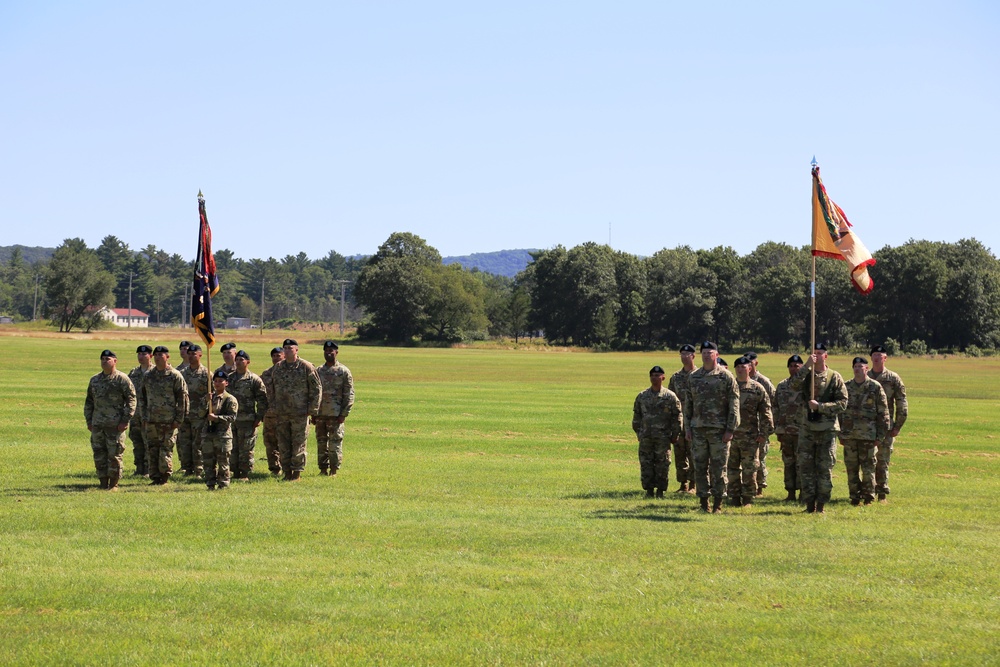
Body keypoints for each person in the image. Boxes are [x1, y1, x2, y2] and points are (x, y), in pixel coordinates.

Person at [790, 343, 848, 514]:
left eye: (820, 353)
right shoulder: (806, 375)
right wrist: (806, 366)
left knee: (824, 468)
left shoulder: (834, 377)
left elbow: (843, 403)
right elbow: (793, 385)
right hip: (807, 428)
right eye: (814, 353)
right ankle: (809, 504)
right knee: (806, 468)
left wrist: (821, 406)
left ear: (826, 356)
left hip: (826, 430)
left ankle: (821, 504)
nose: (817, 355)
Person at [683, 342, 740, 513]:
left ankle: (718, 503)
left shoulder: (726, 377)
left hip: (719, 431)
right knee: (699, 466)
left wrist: (730, 429)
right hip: (698, 429)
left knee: (719, 467)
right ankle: (703, 503)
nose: (707, 355)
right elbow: (688, 405)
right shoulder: (693, 377)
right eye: (704, 352)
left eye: (710, 352)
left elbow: (734, 404)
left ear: (717, 354)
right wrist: (687, 428)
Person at [84, 350, 136, 491]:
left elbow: (131, 400)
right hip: (98, 424)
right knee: (99, 454)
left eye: (108, 359)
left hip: (115, 425)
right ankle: (102, 482)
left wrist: (125, 420)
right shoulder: (95, 380)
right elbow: (89, 402)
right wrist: (89, 421)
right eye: (102, 359)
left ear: (115, 361)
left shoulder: (122, 379)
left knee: (114, 455)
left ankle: (114, 484)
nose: (104, 361)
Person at [840, 357, 889, 506]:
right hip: (850, 436)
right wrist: (840, 433)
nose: (857, 369)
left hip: (868, 436)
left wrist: (880, 436)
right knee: (851, 468)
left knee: (868, 468)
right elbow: (839, 411)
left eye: (861, 366)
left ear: (867, 369)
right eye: (855, 366)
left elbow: (883, 413)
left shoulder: (875, 387)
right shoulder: (846, 387)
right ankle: (854, 496)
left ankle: (868, 496)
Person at [271, 339, 322, 480]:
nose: (287, 351)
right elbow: (272, 388)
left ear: (296, 350)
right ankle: (287, 472)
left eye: (290, 348)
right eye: (285, 348)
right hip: (282, 412)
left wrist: (313, 410)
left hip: (300, 412)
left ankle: (297, 473)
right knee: (283, 443)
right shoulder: (279, 367)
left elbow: (316, 389)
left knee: (298, 443)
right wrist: (274, 407)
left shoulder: (306, 367)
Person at [632, 365, 683, 498]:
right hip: (646, 437)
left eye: (657, 375)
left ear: (663, 378)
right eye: (652, 376)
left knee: (662, 464)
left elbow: (677, 416)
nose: (655, 378)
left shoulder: (670, 397)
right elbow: (637, 416)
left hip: (663, 438)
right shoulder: (642, 396)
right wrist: (638, 432)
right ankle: (649, 490)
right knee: (646, 463)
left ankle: (660, 491)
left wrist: (676, 433)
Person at [140, 346, 188, 485]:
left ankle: (164, 477)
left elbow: (183, 399)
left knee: (165, 449)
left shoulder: (174, 375)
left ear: (167, 357)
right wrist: (144, 417)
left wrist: (179, 420)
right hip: (151, 420)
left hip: (169, 421)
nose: (158, 357)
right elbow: (142, 398)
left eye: (161, 355)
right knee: (152, 449)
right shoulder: (148, 375)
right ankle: (155, 477)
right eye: (156, 355)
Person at [728, 356, 773, 506]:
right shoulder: (729, 386)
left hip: (750, 437)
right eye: (738, 367)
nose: (740, 369)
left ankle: (747, 498)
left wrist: (764, 433)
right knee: (732, 468)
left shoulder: (757, 388)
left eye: (744, 366)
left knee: (750, 469)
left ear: (750, 368)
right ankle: (734, 497)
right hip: (730, 435)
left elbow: (766, 412)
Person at [868, 344, 908, 502]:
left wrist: (898, 425)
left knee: (883, 460)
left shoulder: (893, 378)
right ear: (871, 358)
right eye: (874, 355)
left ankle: (882, 492)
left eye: (880, 355)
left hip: (886, 427)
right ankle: (868, 492)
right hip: (866, 426)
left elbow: (902, 403)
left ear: (885, 358)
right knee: (867, 461)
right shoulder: (865, 375)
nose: (877, 358)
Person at [314, 341, 355, 476]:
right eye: (326, 350)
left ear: (337, 352)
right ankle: (323, 469)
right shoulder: (319, 371)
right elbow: (314, 392)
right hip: (320, 414)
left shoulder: (343, 371)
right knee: (321, 443)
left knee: (335, 444)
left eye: (331, 350)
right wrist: (313, 413)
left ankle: (334, 470)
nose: (328, 353)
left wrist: (344, 413)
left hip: (336, 414)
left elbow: (349, 394)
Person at [227, 349, 267, 480]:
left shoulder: (254, 379)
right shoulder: (229, 378)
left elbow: (262, 399)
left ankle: (244, 473)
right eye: (237, 360)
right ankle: (235, 472)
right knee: (232, 448)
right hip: (232, 420)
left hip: (248, 420)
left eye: (241, 360)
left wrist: (259, 417)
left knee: (246, 449)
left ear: (247, 362)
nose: (238, 362)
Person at [772, 355, 806, 501]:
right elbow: (776, 407)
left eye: (797, 365)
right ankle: (790, 492)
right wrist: (777, 428)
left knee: (802, 463)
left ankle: (803, 493)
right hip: (786, 431)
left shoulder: (806, 385)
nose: (794, 368)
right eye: (791, 365)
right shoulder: (781, 385)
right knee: (788, 463)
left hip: (801, 431)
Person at [744, 352, 775, 495]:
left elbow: (773, 403)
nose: (749, 364)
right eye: (746, 362)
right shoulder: (740, 380)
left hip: (760, 427)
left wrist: (767, 428)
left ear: (756, 363)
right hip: (745, 428)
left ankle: (760, 487)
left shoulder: (763, 381)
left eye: (751, 362)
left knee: (760, 457)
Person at [202, 370, 238, 490]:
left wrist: (217, 418)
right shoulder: (209, 398)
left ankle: (223, 483)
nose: (217, 384)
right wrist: (206, 403)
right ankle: (210, 483)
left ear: (226, 383)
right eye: (215, 381)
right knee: (208, 461)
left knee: (223, 461)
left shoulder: (229, 399)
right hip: (208, 434)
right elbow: (199, 413)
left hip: (223, 436)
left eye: (220, 381)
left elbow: (232, 417)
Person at [668, 344, 697, 493]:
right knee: (680, 454)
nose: (684, 357)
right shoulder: (676, 377)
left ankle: (693, 484)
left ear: (693, 356)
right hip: (679, 423)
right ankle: (683, 484)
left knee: (694, 453)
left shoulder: (699, 375)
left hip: (694, 421)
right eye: (682, 354)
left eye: (687, 354)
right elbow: (670, 399)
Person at [179, 343, 210, 476]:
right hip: (184, 414)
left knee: (197, 444)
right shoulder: (181, 374)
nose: (191, 357)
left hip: (199, 415)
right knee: (184, 443)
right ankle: (187, 468)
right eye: (189, 354)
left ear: (200, 355)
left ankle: (198, 469)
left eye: (194, 354)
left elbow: (214, 395)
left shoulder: (207, 374)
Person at [126, 344, 153, 477]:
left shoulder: (155, 372)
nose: (141, 357)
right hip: (135, 414)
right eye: (139, 354)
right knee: (137, 442)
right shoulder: (133, 373)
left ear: (150, 356)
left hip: (149, 415)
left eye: (144, 354)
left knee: (148, 442)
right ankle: (139, 468)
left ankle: (148, 469)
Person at [259, 346, 284, 476]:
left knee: (284, 442)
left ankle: (286, 467)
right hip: (269, 415)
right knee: (270, 442)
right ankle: (274, 469)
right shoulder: (266, 374)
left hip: (284, 414)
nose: (276, 358)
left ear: (284, 356)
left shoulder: (288, 373)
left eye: (278, 355)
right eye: (273, 356)